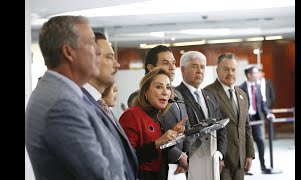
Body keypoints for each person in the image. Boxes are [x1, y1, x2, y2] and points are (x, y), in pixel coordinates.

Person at [25, 15, 126, 180]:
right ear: (68, 52)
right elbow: (101, 176)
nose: (98, 50)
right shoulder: (61, 104)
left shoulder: (63, 92)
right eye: (91, 42)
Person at [82, 32, 138, 180]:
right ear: (89, 60)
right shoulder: (79, 105)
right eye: (109, 57)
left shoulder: (99, 103)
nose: (117, 64)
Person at [127, 45, 190, 176]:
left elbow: (160, 149)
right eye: (159, 87)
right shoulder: (133, 113)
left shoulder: (158, 113)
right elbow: (127, 157)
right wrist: (159, 142)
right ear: (145, 92)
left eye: (168, 88)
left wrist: (174, 137)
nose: (165, 93)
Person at [175, 51, 227, 180]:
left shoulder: (209, 96)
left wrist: (219, 155)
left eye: (202, 67)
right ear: (183, 69)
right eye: (194, 66)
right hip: (188, 163)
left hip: (212, 160)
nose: (200, 70)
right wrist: (182, 157)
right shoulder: (175, 96)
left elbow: (221, 127)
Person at [204, 53, 255, 180]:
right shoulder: (208, 93)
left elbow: (246, 126)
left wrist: (249, 154)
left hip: (240, 159)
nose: (230, 73)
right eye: (226, 69)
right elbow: (209, 129)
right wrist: (217, 157)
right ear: (217, 71)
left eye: (233, 69)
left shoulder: (242, 94)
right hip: (222, 160)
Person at [238, 66, 275, 174]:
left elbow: (262, 103)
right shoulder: (240, 88)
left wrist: (268, 113)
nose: (258, 75)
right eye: (255, 73)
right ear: (249, 75)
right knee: (245, 145)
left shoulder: (257, 87)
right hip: (245, 121)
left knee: (260, 141)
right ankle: (245, 169)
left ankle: (263, 166)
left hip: (256, 119)